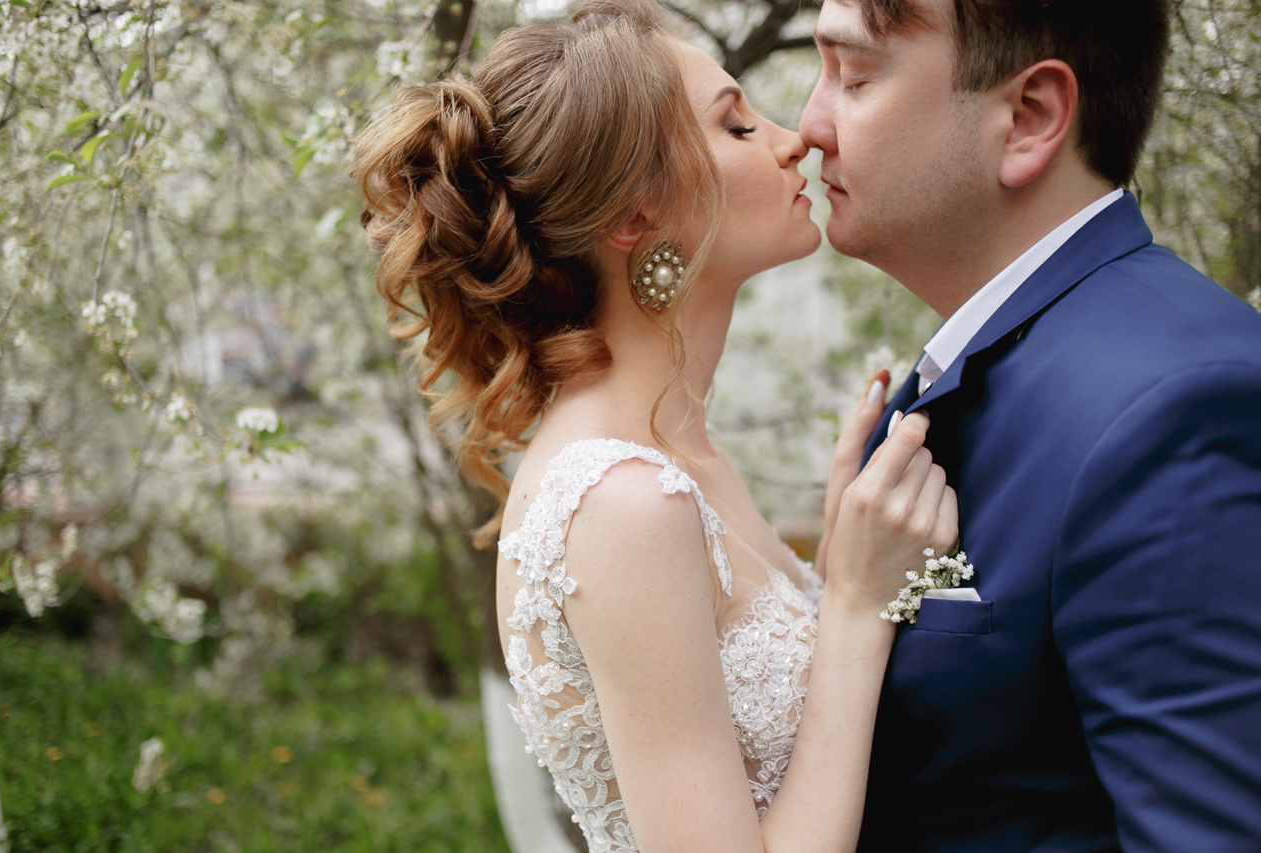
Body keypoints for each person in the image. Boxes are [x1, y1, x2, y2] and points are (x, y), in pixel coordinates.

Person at [353, 1, 959, 850]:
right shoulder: (624, 503)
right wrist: (857, 608)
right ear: (635, 217)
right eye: (738, 126)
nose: (794, 139)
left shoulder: (681, 456)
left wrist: (837, 551)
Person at [798, 0, 1261, 850]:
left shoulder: (1176, 409)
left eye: (854, 76)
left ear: (1029, 118)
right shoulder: (983, 364)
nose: (809, 126)